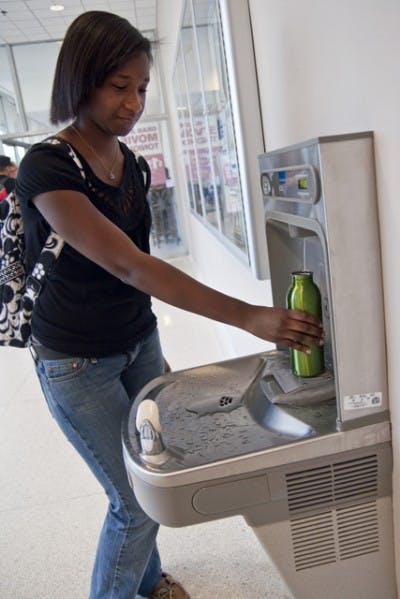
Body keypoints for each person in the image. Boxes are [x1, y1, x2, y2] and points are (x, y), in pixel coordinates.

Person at [15, 11, 323, 599]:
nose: (133, 103)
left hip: (137, 341)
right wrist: (251, 316)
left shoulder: (132, 164)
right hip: (76, 361)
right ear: (82, 81)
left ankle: (148, 581)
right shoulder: (48, 166)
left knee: (153, 478)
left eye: (141, 89)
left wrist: (150, 343)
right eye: (118, 87)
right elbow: (131, 264)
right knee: (132, 503)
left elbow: (138, 274)